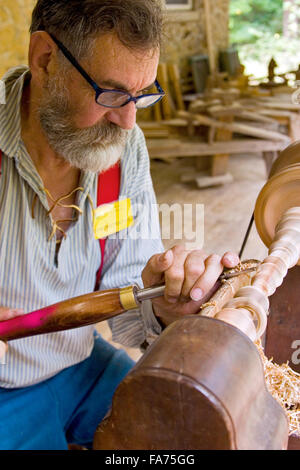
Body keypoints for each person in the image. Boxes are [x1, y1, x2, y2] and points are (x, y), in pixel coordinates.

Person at [0, 0, 239, 450]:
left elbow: (130, 313)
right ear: (45, 59)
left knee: (180, 438)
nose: (128, 120)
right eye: (110, 94)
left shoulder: (124, 148)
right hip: (4, 388)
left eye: (142, 94)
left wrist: (166, 301)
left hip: (80, 359)